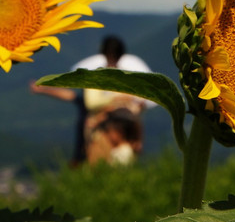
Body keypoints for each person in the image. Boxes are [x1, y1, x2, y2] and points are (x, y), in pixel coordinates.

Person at [30, 35, 151, 165]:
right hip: (112, 137)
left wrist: (44, 88)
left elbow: (76, 97)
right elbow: (78, 98)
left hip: (100, 136)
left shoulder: (98, 77)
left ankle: (79, 161)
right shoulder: (124, 80)